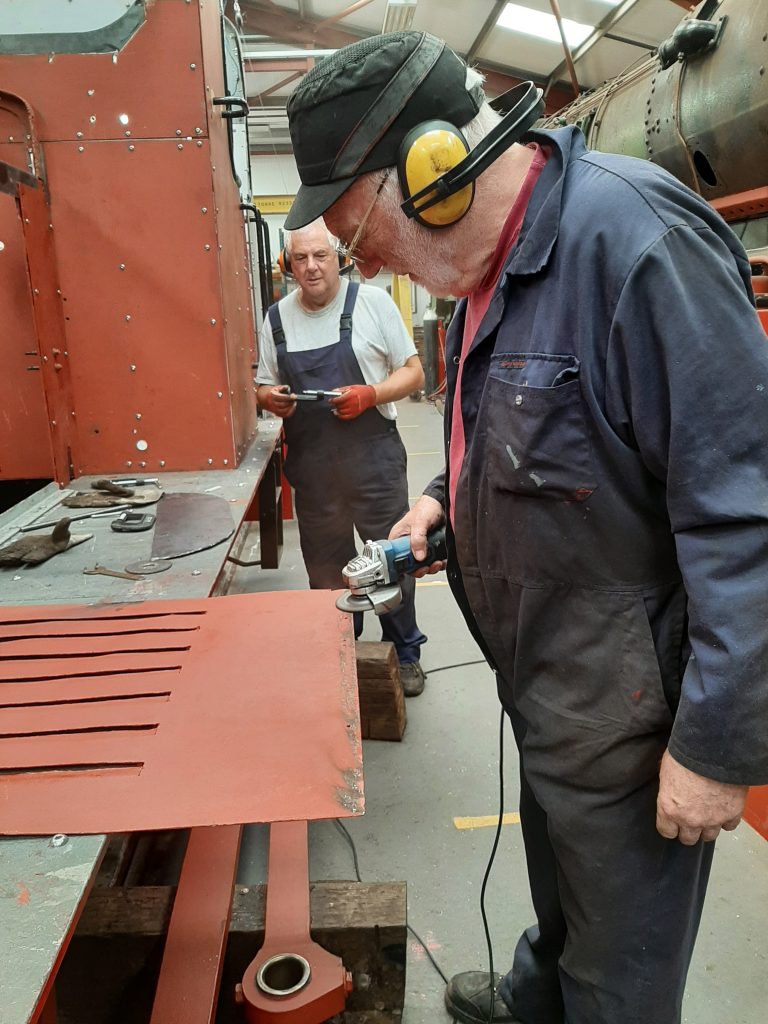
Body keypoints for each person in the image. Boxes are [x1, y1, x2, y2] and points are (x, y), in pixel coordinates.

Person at [282, 29, 768, 1024]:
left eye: (352, 223)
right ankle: (536, 995)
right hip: (544, 682)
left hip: (628, 716)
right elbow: (524, 444)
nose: (360, 255)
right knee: (560, 897)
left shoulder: (638, 248)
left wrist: (720, 746)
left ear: (431, 168)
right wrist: (441, 508)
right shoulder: (478, 277)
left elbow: (745, 516)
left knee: (619, 975)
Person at [256, 218, 428, 695]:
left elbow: (414, 373)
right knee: (328, 569)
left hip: (373, 462)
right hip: (313, 470)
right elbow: (262, 384)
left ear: (339, 258)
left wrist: (371, 394)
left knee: (389, 561)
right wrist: (269, 398)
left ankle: (406, 653)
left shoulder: (373, 304)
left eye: (320, 256)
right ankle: (341, 650)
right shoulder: (276, 320)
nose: (311, 267)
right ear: (288, 264)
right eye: (300, 259)